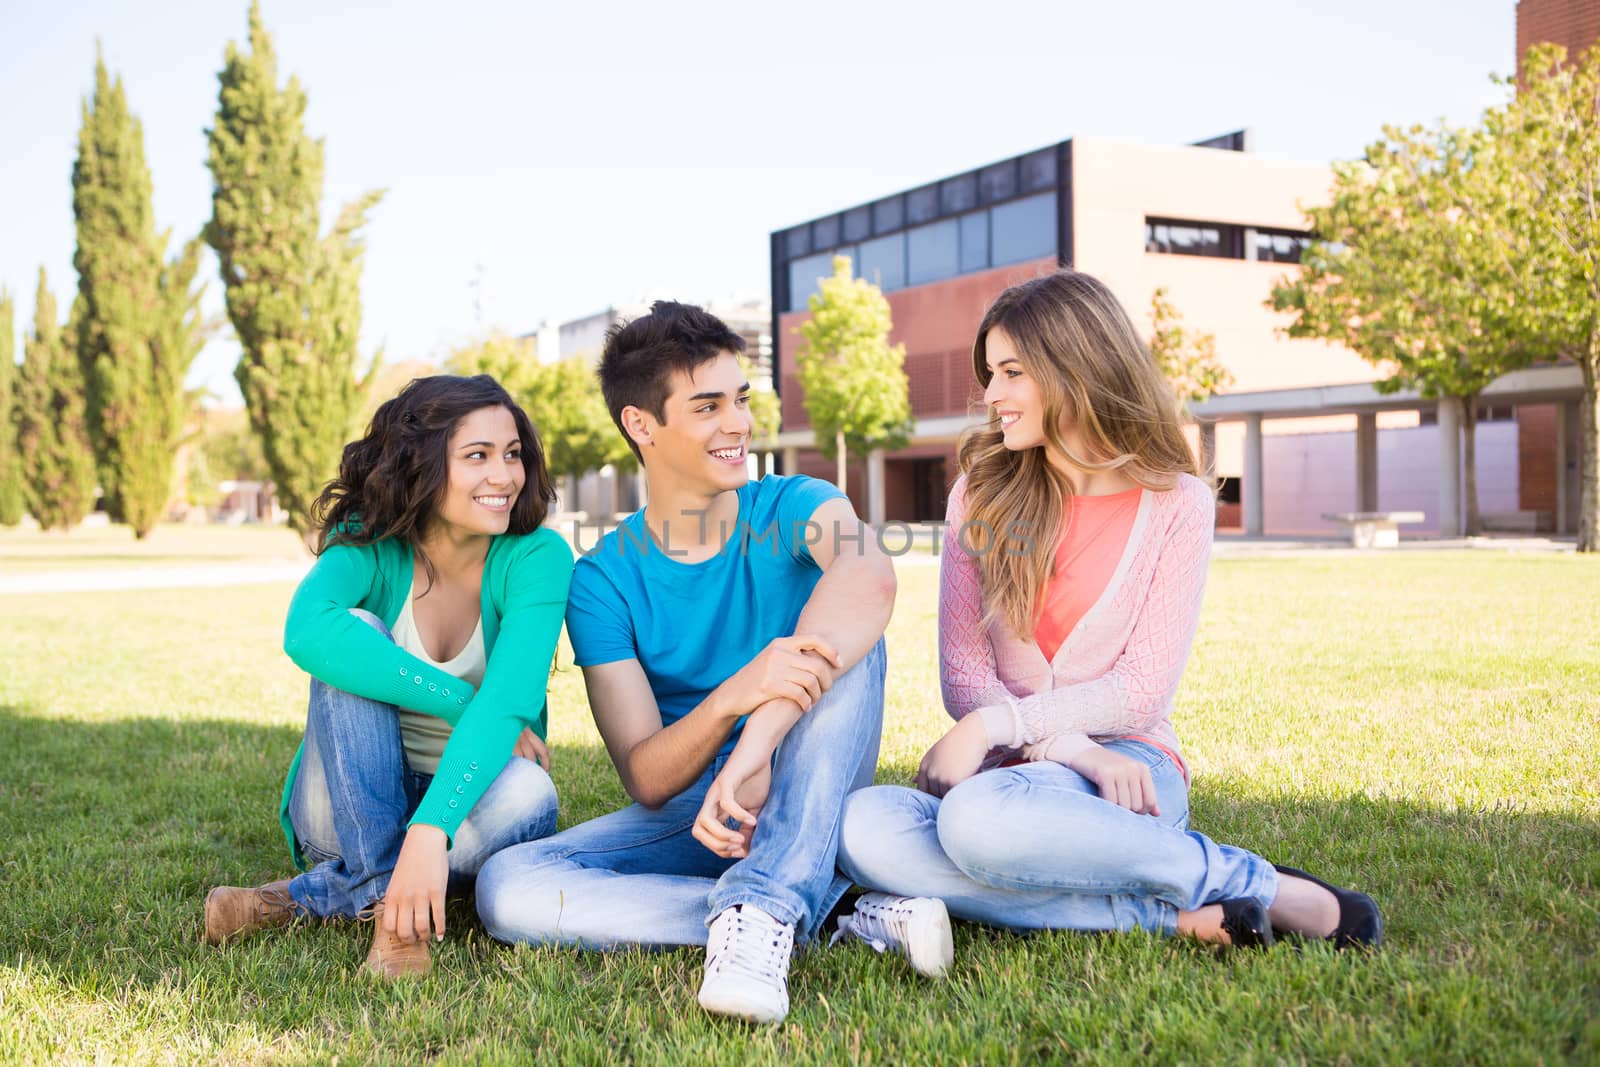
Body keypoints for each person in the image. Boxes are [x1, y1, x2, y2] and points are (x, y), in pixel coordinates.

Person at [835, 271, 1383, 953]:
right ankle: (1182, 913)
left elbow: (1140, 691)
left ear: (1075, 368)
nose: (992, 395)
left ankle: (1268, 885)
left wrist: (1005, 727)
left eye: (1011, 372)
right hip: (1014, 777)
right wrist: (1069, 748)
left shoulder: (1177, 503)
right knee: (860, 823)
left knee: (973, 822)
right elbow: (963, 677)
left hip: (1130, 769)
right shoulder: (980, 494)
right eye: (991, 373)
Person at [474, 301, 919, 1025]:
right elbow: (647, 774)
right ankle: (829, 909)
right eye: (708, 406)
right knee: (508, 885)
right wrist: (729, 699)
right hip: (701, 817)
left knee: (843, 633)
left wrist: (759, 739)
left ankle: (767, 906)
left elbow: (871, 578)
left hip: (802, 776)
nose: (739, 423)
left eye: (741, 400)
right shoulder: (605, 578)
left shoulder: (796, 503)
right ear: (641, 425)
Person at [203, 374, 574, 978]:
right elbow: (307, 630)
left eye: (513, 455)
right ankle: (385, 898)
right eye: (477, 456)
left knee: (532, 792)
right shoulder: (367, 547)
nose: (505, 476)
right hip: (346, 805)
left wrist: (431, 828)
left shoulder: (538, 557)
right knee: (352, 633)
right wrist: (459, 700)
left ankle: (305, 898)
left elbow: (509, 703)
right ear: (420, 465)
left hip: (474, 805)